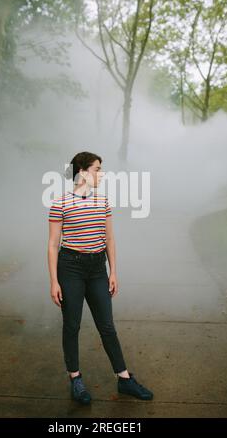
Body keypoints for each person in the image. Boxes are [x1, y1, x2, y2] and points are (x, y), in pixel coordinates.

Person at [47, 151, 153, 405]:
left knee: (107, 326)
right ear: (82, 172)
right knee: (72, 325)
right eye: (97, 169)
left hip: (97, 270)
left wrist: (113, 271)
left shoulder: (102, 202)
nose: (102, 174)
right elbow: (53, 245)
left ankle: (124, 379)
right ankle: (76, 379)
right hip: (70, 268)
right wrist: (54, 281)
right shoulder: (60, 203)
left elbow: (109, 239)